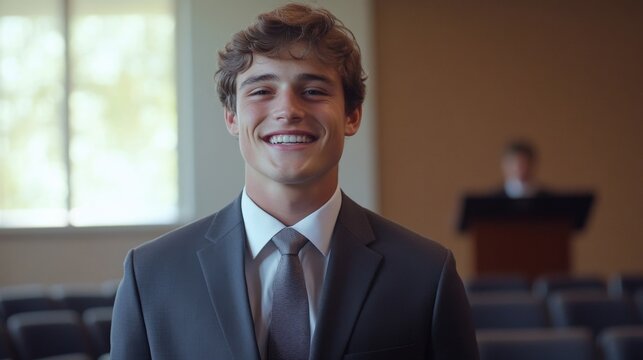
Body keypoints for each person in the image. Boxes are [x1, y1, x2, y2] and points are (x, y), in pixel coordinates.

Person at [111, 3, 479, 359]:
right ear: (231, 117)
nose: (287, 109)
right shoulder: (151, 275)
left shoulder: (426, 273)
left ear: (352, 116)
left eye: (314, 91)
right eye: (261, 91)